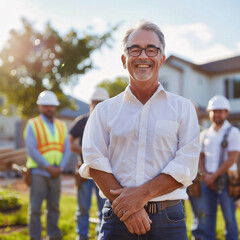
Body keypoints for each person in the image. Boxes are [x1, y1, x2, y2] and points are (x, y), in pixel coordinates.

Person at [79, 20, 200, 240]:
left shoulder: (183, 108)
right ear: (124, 60)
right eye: (135, 49)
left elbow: (187, 163)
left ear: (161, 59)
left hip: (168, 221)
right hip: (117, 218)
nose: (143, 56)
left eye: (151, 49)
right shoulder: (104, 111)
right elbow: (94, 161)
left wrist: (140, 197)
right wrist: (127, 209)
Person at [24, 90, 71, 240]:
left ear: (55, 107)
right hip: (39, 172)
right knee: (35, 209)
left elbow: (67, 148)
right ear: (40, 106)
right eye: (45, 106)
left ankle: (53, 236)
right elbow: (32, 150)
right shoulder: (33, 124)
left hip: (57, 172)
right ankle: (35, 237)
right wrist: (47, 167)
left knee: (54, 208)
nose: (49, 108)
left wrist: (61, 167)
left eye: (51, 106)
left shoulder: (61, 125)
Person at [69, 87, 109, 240]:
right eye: (95, 102)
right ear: (90, 103)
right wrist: (85, 150)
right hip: (84, 172)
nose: (97, 105)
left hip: (104, 173)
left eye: (100, 103)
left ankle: (102, 236)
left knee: (104, 208)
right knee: (83, 208)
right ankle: (82, 236)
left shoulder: (110, 122)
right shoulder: (82, 121)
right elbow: (70, 143)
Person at [199, 95, 240, 240]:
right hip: (207, 180)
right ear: (210, 113)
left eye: (220, 111)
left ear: (226, 113)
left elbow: (232, 158)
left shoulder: (233, 132)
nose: (217, 114)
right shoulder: (205, 134)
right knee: (208, 216)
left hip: (226, 180)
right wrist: (205, 175)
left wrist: (213, 176)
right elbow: (200, 157)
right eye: (214, 111)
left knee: (229, 217)